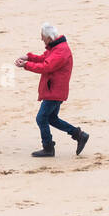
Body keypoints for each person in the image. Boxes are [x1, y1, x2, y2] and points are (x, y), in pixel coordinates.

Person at [16, 22, 89, 158]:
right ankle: (79, 135)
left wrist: (26, 65)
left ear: (49, 37)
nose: (41, 39)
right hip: (54, 89)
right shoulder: (56, 47)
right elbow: (44, 58)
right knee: (52, 118)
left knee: (41, 118)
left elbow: (45, 67)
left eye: (42, 37)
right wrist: (29, 57)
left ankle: (48, 147)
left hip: (54, 91)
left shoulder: (61, 51)